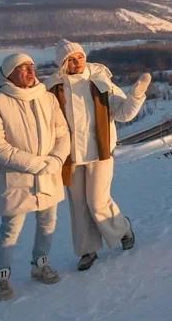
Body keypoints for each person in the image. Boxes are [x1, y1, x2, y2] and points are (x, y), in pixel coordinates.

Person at [45, 40, 152, 270]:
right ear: (62, 63)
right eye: (70, 59)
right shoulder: (53, 89)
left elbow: (124, 114)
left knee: (97, 201)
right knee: (78, 206)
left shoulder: (100, 82)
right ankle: (87, 250)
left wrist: (137, 94)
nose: (77, 62)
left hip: (100, 152)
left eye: (80, 57)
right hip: (70, 156)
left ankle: (123, 229)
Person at [0, 52, 70, 300]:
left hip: (49, 173)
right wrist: (36, 164)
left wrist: (56, 160)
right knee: (11, 229)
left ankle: (40, 266)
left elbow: (63, 134)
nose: (31, 71)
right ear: (9, 73)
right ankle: (2, 279)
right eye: (23, 68)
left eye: (32, 66)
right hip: (17, 179)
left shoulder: (47, 99)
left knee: (47, 223)